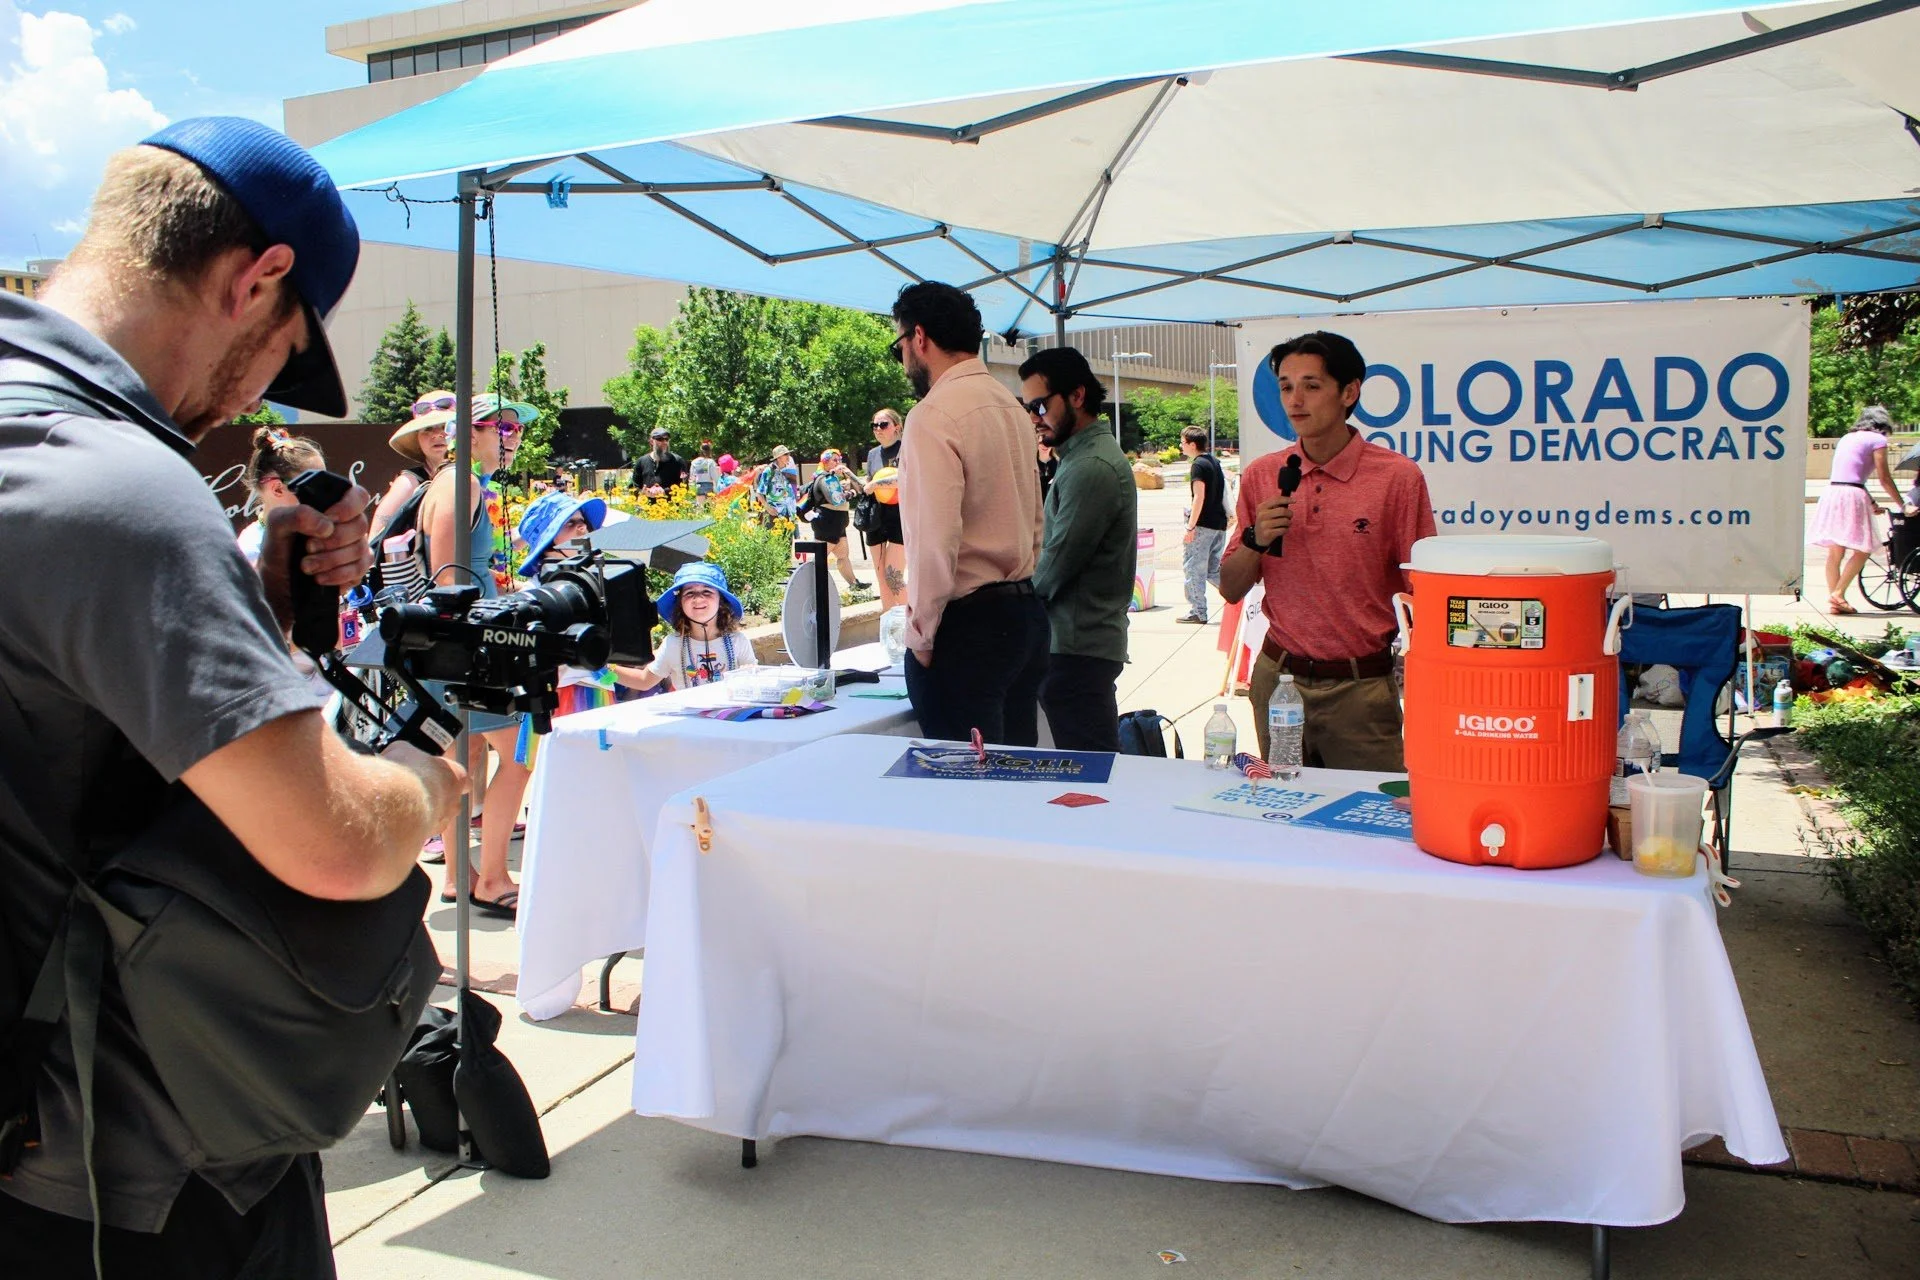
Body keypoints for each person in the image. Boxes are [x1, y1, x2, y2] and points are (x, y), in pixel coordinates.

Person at [0, 117, 464, 1279]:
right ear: (257, 278)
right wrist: (421, 779)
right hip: (134, 1173)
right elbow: (335, 846)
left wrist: (251, 587)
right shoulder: (116, 486)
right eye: (282, 352)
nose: (253, 396)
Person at [1219, 330, 1436, 768]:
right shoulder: (1264, 475)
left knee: (1372, 822)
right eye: (1285, 386)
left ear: (1349, 392)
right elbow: (1229, 587)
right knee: (1284, 811)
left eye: (1311, 385)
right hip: (1278, 682)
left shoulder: (1397, 478)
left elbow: (1424, 592)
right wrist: (1255, 540)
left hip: (1361, 690)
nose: (1295, 399)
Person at [892, 281, 1047, 744]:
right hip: (1024, 614)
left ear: (919, 337)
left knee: (964, 794)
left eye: (899, 346)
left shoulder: (933, 414)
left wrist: (920, 634)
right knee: (1017, 780)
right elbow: (1035, 520)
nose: (902, 361)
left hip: (970, 624)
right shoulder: (1012, 408)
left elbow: (934, 539)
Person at [417, 392, 541, 916]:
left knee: (458, 757)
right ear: (471, 433)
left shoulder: (449, 483)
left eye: (515, 430)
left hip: (452, 644)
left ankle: (456, 875)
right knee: (520, 749)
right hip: (465, 644)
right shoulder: (460, 483)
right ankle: (491, 877)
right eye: (503, 428)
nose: (512, 438)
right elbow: (447, 578)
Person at [1020, 347, 1137, 752]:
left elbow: (1054, 567)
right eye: (1028, 408)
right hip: (1075, 646)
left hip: (1076, 649)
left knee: (1091, 777)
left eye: (1039, 405)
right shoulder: (1079, 458)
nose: (1034, 418)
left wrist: (1010, 607)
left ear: (1077, 396)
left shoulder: (1091, 467)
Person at [1809, 404, 1912, 614]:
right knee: (1864, 548)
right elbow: (1884, 478)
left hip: (1833, 492)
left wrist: (1872, 503)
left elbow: (1850, 473)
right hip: (1852, 495)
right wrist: (1903, 505)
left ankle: (1835, 601)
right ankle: (1838, 594)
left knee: (1835, 551)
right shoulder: (1878, 440)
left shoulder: (1847, 438)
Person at [621, 562, 752, 692]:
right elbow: (644, 681)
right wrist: (606, 669)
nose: (698, 599)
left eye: (707, 592)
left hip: (730, 712)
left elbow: (753, 676)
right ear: (680, 603)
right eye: (690, 593)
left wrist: (750, 673)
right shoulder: (672, 644)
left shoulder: (738, 641)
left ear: (721, 601)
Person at [234, 426, 325, 566]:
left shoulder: (316, 536)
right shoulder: (253, 552)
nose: (323, 493)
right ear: (278, 489)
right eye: (314, 486)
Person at [369, 390, 454, 535]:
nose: (437, 435)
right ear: (418, 439)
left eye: (444, 426)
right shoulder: (409, 483)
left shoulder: (480, 474)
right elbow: (375, 538)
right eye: (427, 429)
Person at [1178, 425, 1230, 624]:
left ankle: (1198, 611)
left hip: (1203, 525)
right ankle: (1240, 595)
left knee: (1194, 568)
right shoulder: (1214, 462)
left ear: (1192, 444)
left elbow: (1199, 497)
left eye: (1182, 442)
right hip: (1219, 524)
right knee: (1212, 570)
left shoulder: (1198, 465)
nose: (1181, 446)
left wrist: (1190, 527)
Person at [799, 447, 868, 590]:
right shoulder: (825, 478)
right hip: (827, 523)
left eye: (840, 460)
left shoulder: (833, 478)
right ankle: (808, 585)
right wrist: (852, 493)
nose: (838, 463)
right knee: (821, 557)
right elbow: (836, 499)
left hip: (838, 525)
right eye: (834, 460)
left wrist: (849, 475)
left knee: (843, 555)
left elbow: (863, 488)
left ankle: (854, 584)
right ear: (825, 462)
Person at [864, 407, 909, 612]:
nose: (878, 429)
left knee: (893, 576)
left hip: (901, 517)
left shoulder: (907, 449)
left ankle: (911, 620)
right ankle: (889, 623)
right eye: (875, 425)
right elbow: (867, 484)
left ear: (896, 427)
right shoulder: (873, 454)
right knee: (881, 575)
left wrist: (875, 485)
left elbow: (904, 477)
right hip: (877, 517)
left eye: (883, 424)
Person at [751, 445, 801, 523]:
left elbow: (792, 492)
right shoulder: (769, 471)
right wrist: (768, 508)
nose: (788, 456)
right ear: (778, 457)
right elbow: (759, 492)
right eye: (785, 454)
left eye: (788, 454)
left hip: (790, 514)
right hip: (775, 515)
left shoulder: (790, 470)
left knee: (790, 535)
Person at [632, 425, 687, 495]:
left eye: (666, 439)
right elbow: (635, 486)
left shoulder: (678, 461)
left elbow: (684, 486)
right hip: (647, 504)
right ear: (652, 441)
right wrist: (644, 492)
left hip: (671, 504)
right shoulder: (641, 461)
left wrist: (665, 491)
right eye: (660, 439)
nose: (664, 442)